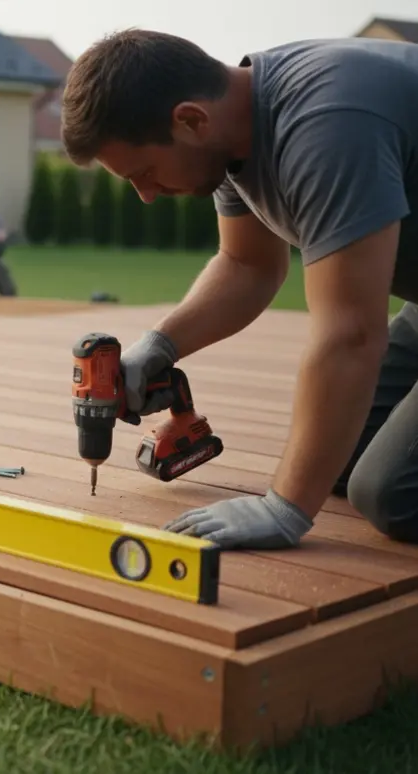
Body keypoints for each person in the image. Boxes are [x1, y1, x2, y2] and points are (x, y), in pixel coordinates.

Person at [59, 30, 418, 550]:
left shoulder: (328, 126)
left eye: (144, 173)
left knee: (391, 492)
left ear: (190, 120)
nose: (146, 196)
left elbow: (351, 335)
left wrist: (285, 508)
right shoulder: (234, 129)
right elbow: (247, 266)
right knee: (339, 457)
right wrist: (160, 345)